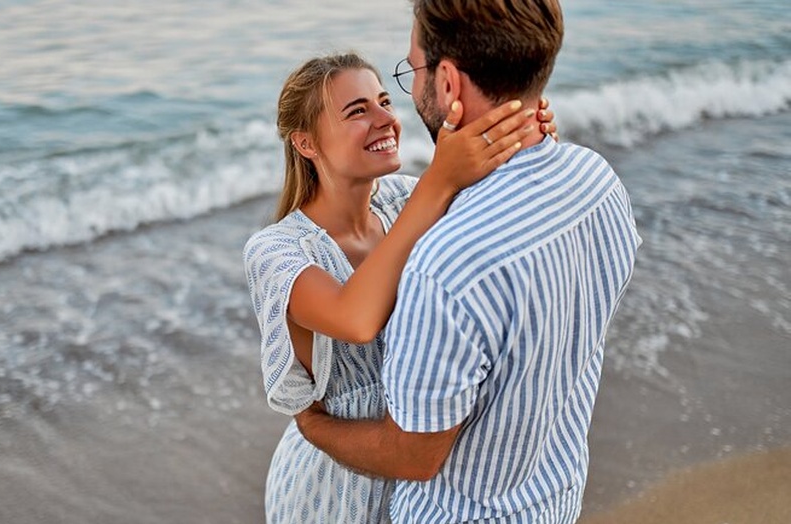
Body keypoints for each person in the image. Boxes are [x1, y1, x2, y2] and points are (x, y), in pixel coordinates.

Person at [294, 2, 642, 523]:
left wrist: (313, 426)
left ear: (450, 83)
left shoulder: (445, 266)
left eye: (411, 71)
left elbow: (413, 455)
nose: (402, 101)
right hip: (555, 500)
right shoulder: (598, 185)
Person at [243, 52, 557, 523]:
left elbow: (506, 222)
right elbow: (356, 319)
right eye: (358, 111)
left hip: (426, 474)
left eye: (385, 101)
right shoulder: (277, 250)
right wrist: (439, 180)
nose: (387, 119)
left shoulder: (404, 199)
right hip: (334, 488)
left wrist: (527, 134)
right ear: (306, 143)